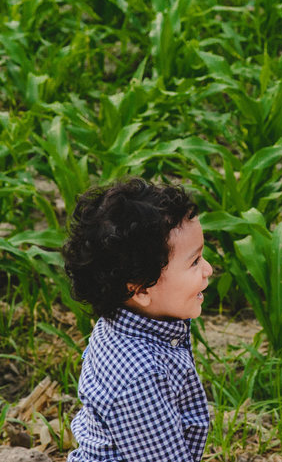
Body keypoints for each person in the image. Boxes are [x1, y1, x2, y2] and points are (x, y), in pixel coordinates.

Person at [62, 177, 213, 462]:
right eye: (194, 262)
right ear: (141, 289)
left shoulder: (133, 321)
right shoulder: (138, 375)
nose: (208, 269)